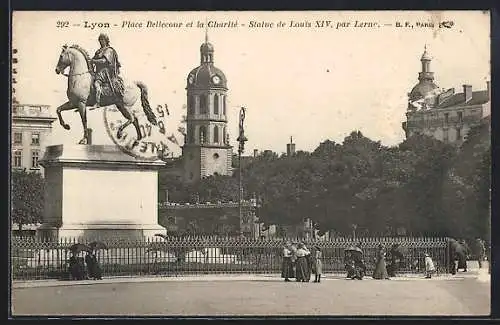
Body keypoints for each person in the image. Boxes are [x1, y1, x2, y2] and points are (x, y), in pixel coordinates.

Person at [91, 33, 124, 107]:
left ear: (106, 40)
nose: (100, 41)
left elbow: (104, 61)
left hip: (105, 72)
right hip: (98, 71)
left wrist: (93, 61)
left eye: (102, 40)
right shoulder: (98, 51)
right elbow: (93, 60)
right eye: (99, 40)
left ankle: (97, 102)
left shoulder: (109, 50)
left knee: (96, 84)